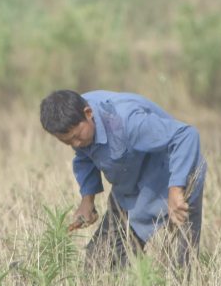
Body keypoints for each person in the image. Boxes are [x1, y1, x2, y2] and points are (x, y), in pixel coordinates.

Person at [39, 90, 206, 269]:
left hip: (173, 176)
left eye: (76, 136)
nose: (75, 144)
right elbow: (84, 155)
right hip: (130, 187)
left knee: (180, 265)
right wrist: (87, 200)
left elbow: (186, 136)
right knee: (98, 263)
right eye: (67, 142)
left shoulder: (126, 121)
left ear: (88, 114)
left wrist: (176, 189)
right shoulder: (77, 120)